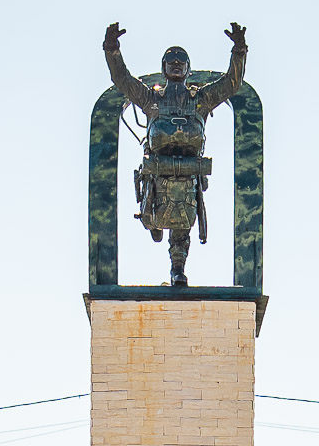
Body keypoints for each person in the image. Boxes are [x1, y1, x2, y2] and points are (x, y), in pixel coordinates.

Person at [103, 22, 247, 285]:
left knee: (182, 222)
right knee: (155, 211)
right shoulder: (151, 99)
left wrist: (239, 50)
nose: (177, 63)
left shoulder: (200, 100)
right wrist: (112, 49)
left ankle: (177, 268)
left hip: (187, 176)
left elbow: (231, 83)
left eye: (182, 60)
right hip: (158, 175)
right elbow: (122, 79)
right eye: (172, 60)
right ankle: (152, 222)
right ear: (164, 67)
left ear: (189, 68)